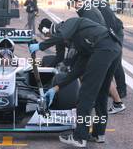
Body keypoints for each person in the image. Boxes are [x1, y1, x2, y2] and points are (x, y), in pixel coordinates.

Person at [29, 17, 122, 148]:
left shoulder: (69, 23)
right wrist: (56, 88)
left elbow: (61, 35)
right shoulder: (82, 43)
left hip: (104, 48)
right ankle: (98, 134)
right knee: (102, 93)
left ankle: (79, 137)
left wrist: (40, 46)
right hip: (114, 48)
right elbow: (76, 72)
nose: (66, 44)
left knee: (85, 94)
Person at [70, 0, 126, 114]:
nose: (73, 6)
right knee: (105, 74)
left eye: (73, 2)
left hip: (104, 43)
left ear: (78, 0)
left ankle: (113, 99)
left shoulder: (90, 11)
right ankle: (116, 101)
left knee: (102, 73)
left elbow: (97, 29)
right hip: (104, 43)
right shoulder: (90, 7)